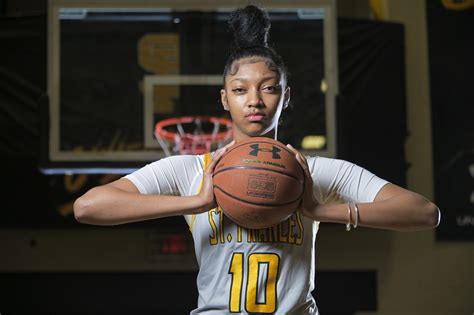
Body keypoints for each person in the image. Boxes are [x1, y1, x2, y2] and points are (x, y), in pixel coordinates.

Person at [73, 5, 440, 314]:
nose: (254, 100)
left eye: (268, 88)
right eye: (239, 89)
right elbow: (88, 207)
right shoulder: (192, 171)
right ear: (223, 99)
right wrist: (196, 202)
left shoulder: (314, 173)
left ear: (286, 96)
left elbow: (424, 213)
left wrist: (321, 210)